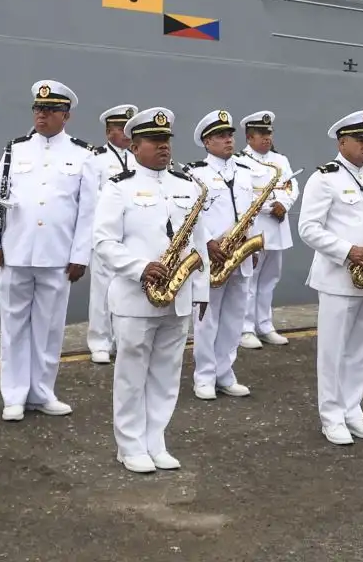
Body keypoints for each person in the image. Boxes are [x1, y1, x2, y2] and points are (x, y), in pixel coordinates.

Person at [92, 107, 210, 474]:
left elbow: (200, 244)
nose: (163, 148)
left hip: (179, 296)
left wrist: (201, 292)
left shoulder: (187, 185)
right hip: (135, 297)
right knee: (131, 373)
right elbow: (103, 241)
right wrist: (141, 267)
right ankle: (129, 445)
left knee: (167, 371)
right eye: (155, 142)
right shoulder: (118, 187)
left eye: (166, 141)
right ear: (135, 145)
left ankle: (155, 439)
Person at [0, 80, 97, 421]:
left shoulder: (82, 154)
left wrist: (80, 255)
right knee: (14, 326)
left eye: (50, 111)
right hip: (15, 253)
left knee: (49, 328)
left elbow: (89, 210)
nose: (42, 115)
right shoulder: (14, 149)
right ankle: (14, 396)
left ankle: (43, 392)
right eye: (38, 109)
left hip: (58, 255)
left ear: (66, 116)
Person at [298, 109, 363, 446]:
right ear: (342, 142)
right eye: (361, 139)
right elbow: (308, 228)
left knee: (361, 350)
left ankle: (353, 410)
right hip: (339, 278)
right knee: (334, 350)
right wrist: (347, 251)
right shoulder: (324, 178)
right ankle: (331, 416)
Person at [185, 110, 266, 399]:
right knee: (207, 320)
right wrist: (207, 243)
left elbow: (250, 213)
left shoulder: (246, 172)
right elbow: (190, 216)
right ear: (206, 142)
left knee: (234, 318)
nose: (228, 140)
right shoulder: (196, 174)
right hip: (213, 257)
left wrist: (253, 244)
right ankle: (204, 377)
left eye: (230, 135)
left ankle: (225, 373)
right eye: (220, 136)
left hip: (240, 255)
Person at [238, 110, 298, 349]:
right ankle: (246, 328)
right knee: (249, 280)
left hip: (278, 227)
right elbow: (243, 194)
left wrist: (285, 203)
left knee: (270, 279)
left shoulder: (280, 160)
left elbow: (291, 185)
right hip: (255, 228)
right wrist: (269, 206)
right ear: (249, 137)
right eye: (260, 134)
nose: (266, 138)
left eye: (268, 133)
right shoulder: (240, 161)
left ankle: (265, 325)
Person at [86, 102, 140, 364]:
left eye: (129, 128)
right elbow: (90, 195)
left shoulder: (139, 157)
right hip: (106, 232)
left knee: (128, 288)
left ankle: (122, 338)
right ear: (109, 132)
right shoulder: (96, 159)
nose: (126, 133)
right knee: (102, 289)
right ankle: (99, 341)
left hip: (132, 234)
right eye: (120, 128)